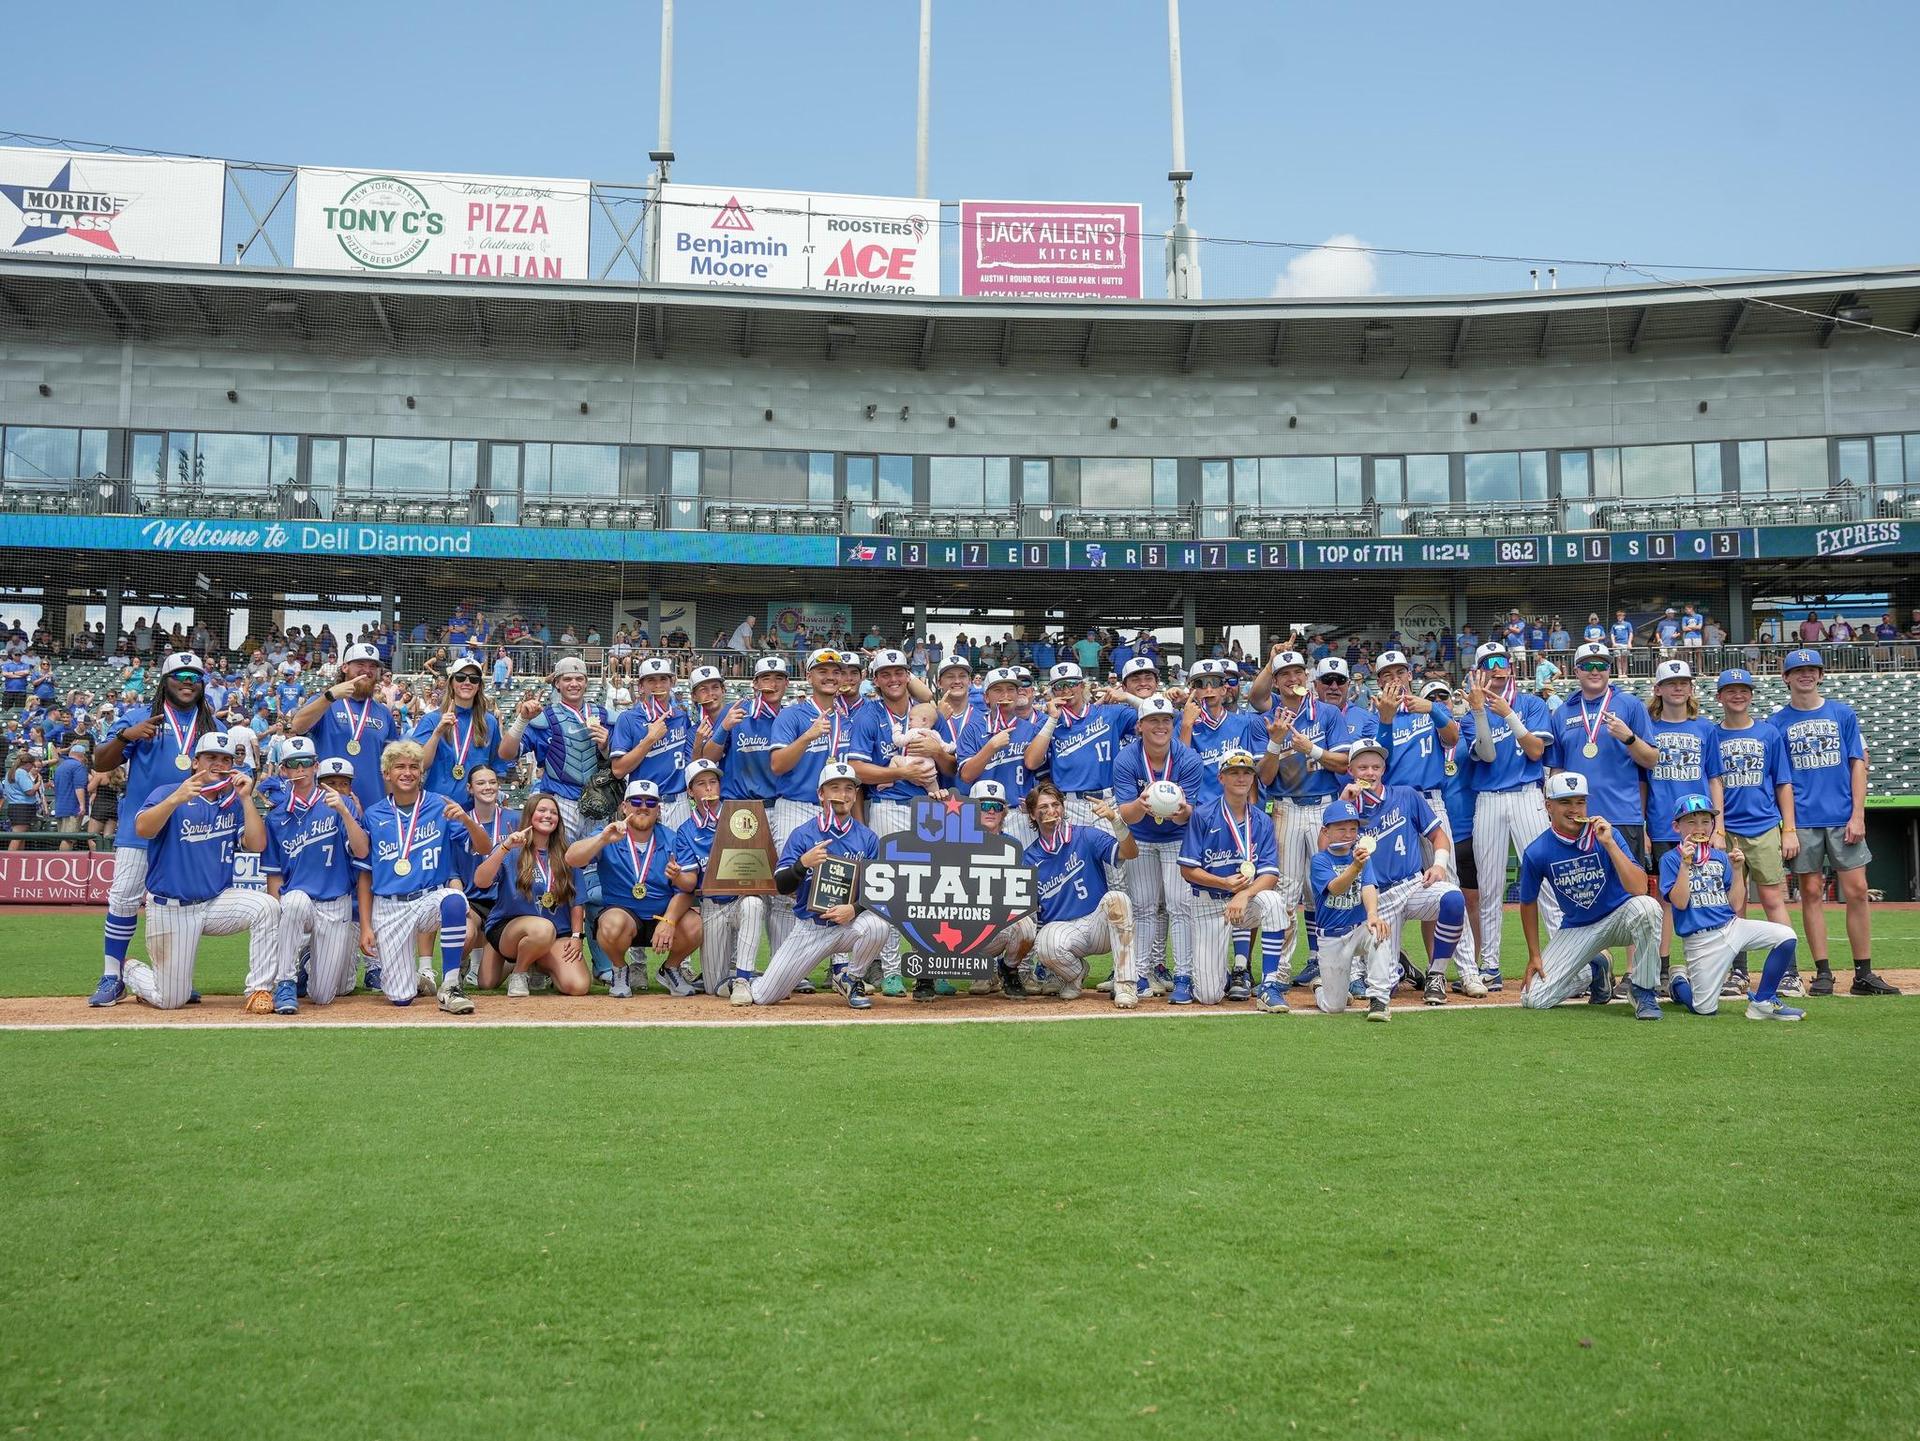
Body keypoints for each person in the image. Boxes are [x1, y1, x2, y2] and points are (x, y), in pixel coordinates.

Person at [85, 651, 221, 1007]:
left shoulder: (212, 727)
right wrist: (126, 737)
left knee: (182, 905)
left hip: (189, 833)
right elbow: (101, 761)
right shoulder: (140, 717)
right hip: (140, 827)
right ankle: (112, 975)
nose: (187, 683)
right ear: (165, 681)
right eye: (180, 676)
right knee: (125, 899)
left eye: (195, 677)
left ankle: (169, 978)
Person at [1767, 648, 1898, 996]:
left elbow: (1858, 764)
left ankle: (1863, 974)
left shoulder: (1842, 713)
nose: (1805, 675)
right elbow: (1780, 778)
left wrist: (1859, 814)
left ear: (1821, 675)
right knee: (1810, 893)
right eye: (1798, 671)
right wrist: (1787, 827)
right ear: (1786, 678)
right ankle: (1822, 972)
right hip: (1804, 818)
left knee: (1856, 891)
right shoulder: (1776, 722)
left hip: (1842, 817)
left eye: (1811, 670)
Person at [126, 732, 280, 1012]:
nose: (219, 764)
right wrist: (175, 799)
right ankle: (132, 970)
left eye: (225, 759)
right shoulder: (168, 792)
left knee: (267, 906)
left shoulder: (232, 803)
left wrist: (247, 799)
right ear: (195, 763)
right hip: (172, 907)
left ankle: (259, 990)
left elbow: (257, 845)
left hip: (215, 903)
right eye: (211, 758)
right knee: (171, 999)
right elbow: (143, 829)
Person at [1340, 739, 1483, 1004]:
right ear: (1351, 771)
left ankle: (1436, 974)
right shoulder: (1347, 806)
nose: (1369, 773)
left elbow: (1440, 837)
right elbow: (1327, 849)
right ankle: (1400, 968)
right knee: (1383, 988)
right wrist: (1343, 805)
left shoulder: (1405, 795)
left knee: (1453, 897)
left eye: (1375, 767)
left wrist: (1439, 865)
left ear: (1383, 769)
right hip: (1377, 898)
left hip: (1412, 885)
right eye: (1362, 767)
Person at [353, 740, 490, 1013]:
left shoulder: (441, 805)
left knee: (453, 899)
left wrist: (466, 820)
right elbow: (365, 877)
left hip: (429, 898)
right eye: (400, 767)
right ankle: (415, 978)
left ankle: (450, 986)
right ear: (386, 774)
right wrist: (366, 926)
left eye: (414, 767)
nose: (407, 772)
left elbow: (484, 847)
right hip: (389, 905)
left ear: (421, 772)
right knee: (400, 997)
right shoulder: (373, 814)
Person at [742, 763, 891, 1009]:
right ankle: (750, 980)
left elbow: (878, 892)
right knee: (763, 997)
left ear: (855, 795)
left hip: (847, 926)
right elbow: (781, 885)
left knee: (878, 925)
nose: (842, 795)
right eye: (834, 788)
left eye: (848, 789)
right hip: (810, 928)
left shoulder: (868, 838)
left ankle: (850, 979)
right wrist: (802, 864)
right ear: (821, 794)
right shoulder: (803, 834)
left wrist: (854, 909)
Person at [1517, 773, 1664, 1018]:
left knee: (1648, 908)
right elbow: (1528, 902)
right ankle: (1594, 970)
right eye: (1565, 802)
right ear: (1548, 806)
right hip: (1579, 927)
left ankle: (1643, 990)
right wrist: (1534, 955)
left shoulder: (1608, 835)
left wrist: (1609, 845)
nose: (1574, 809)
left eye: (1580, 802)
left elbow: (1639, 888)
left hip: (1621, 917)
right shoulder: (1537, 851)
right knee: (1533, 998)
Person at [1462, 641, 1557, 985]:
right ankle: (1490, 965)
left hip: (1526, 794)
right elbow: (1486, 755)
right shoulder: (1470, 713)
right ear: (1478, 672)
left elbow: (1535, 751)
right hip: (1488, 798)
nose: (1498, 668)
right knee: (1489, 886)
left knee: (1546, 879)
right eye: (1489, 663)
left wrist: (1507, 713)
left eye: (1503, 661)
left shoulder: (1530, 703)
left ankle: (1562, 956)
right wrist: (1479, 712)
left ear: (1512, 668)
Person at [1661, 796, 1805, 1021]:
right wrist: (1685, 864)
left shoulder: (1720, 857)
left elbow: (1735, 905)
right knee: (1704, 1010)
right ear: (1676, 826)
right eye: (1691, 822)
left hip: (1732, 926)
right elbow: (1679, 903)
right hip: (1701, 941)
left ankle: (1763, 1002)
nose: (1699, 828)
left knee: (1786, 936)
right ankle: (1679, 982)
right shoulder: (1670, 859)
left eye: (1706, 821)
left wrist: (1737, 870)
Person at [1707, 668, 1799, 993]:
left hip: (1762, 825)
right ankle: (1738, 972)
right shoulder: (1711, 735)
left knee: (1773, 898)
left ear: (1751, 695)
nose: (1737, 695)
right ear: (1719, 696)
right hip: (1726, 829)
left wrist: (1789, 829)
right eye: (1730, 690)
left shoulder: (1768, 733)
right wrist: (1716, 827)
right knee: (1735, 902)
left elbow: (1783, 783)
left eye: (1744, 689)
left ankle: (1789, 972)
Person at [568, 778, 701, 997]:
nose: (642, 807)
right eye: (636, 801)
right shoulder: (609, 834)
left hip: (662, 916)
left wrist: (669, 920)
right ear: (624, 806)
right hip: (624, 916)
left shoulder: (673, 839)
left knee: (696, 925)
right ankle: (620, 968)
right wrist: (601, 839)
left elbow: (687, 889)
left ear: (658, 810)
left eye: (650, 803)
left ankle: (671, 968)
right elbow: (571, 858)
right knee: (611, 924)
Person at [261, 742, 369, 1010]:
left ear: (316, 766)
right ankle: (285, 982)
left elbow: (362, 849)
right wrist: (278, 917)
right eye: (293, 764)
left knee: (324, 995)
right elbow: (274, 876)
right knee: (294, 901)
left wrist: (345, 812)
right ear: (284, 770)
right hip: (301, 901)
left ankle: (308, 960)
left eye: (306, 762)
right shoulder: (276, 816)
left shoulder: (340, 803)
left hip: (336, 902)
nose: (301, 769)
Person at [1111, 694, 1203, 1001]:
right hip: (1141, 837)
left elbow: (1189, 812)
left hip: (1177, 838)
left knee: (1180, 906)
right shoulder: (1126, 758)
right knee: (1144, 907)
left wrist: (1183, 812)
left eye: (1166, 720)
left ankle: (1184, 976)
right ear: (1140, 726)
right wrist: (1142, 803)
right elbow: (1125, 813)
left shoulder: (1188, 758)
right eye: (1153, 720)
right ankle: (1140, 974)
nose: (1160, 726)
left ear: (1173, 725)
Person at [1178, 750, 1286, 1008]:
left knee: (1273, 901)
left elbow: (1270, 874)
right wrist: (1225, 883)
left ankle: (1269, 984)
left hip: (1244, 903)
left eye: (1247, 773)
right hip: (1209, 902)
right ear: (1221, 777)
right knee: (1208, 996)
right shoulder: (1203, 815)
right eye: (1234, 772)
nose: (1241, 778)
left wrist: (1243, 893)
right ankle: (1221, 973)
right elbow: (1187, 870)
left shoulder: (1261, 820)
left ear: (1253, 778)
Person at [1020, 781, 1139, 1006]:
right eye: (1043, 807)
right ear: (1033, 815)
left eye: (1055, 804)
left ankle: (1126, 985)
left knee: (1118, 899)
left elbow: (1130, 853)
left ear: (1063, 808)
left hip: (1097, 924)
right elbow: (1031, 915)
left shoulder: (1086, 835)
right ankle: (1075, 975)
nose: (1050, 811)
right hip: (1064, 931)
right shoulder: (1029, 858)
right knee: (1044, 942)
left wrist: (1115, 820)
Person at [472, 792, 593, 998]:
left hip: (555, 934)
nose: (548, 816)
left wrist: (576, 937)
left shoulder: (568, 854)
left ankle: (534, 965)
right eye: (542, 810)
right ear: (529, 815)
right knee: (487, 983)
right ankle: (519, 967)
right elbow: (480, 881)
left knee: (578, 986)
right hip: (510, 928)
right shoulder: (512, 848)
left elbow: (577, 902)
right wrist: (504, 847)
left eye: (553, 812)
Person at [669, 759, 769, 1002]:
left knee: (754, 903)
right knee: (714, 987)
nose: (709, 788)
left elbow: (760, 861)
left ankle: (744, 979)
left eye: (713, 782)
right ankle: (758, 979)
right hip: (712, 907)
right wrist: (677, 876)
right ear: (690, 792)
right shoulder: (686, 831)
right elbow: (690, 883)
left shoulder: (741, 816)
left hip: (740, 900)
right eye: (701, 784)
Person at [287, 642, 399, 817]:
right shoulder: (325, 701)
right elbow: (297, 726)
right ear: (345, 667)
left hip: (373, 807)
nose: (367, 670)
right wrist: (330, 696)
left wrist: (392, 804)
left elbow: (390, 765)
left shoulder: (384, 713)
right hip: (328, 804)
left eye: (372, 666)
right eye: (360, 665)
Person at [1308, 800, 1391, 1018]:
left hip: (1357, 929)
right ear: (1326, 831)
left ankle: (1379, 1001)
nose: (1348, 834)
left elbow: (1368, 886)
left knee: (1379, 931)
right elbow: (1335, 888)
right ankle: (1320, 988)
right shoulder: (1320, 860)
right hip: (1331, 937)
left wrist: (1372, 914)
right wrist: (1355, 866)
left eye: (1353, 829)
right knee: (1334, 1006)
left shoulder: (1362, 856)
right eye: (1341, 828)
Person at [410, 655, 521, 807]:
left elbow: (497, 767)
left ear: (479, 685)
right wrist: (437, 732)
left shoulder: (489, 722)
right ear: (452, 682)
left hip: (475, 812)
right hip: (436, 810)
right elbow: (420, 764)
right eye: (461, 677)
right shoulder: (431, 720)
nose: (467, 682)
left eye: (474, 679)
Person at [448, 765, 517, 989]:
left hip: (507, 900)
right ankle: (458, 965)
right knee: (464, 933)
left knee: (486, 984)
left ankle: (525, 967)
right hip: (474, 899)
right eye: (481, 783)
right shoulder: (458, 822)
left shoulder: (516, 819)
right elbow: (453, 869)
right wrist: (460, 900)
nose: (488, 787)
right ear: (469, 788)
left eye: (492, 782)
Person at [609, 656, 695, 826]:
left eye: (663, 679)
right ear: (641, 686)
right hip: (643, 803)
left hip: (679, 801)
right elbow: (618, 770)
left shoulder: (681, 717)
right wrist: (649, 740)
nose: (658, 686)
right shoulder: (628, 718)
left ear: (672, 683)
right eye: (651, 681)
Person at [4, 749, 42, 850]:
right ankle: (9, 862)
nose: (32, 768)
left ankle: (18, 862)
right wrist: (38, 784)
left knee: (21, 837)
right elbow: (29, 791)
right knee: (17, 838)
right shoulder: (21, 772)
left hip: (15, 807)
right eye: (32, 765)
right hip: (22, 808)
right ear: (28, 764)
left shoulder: (10, 772)